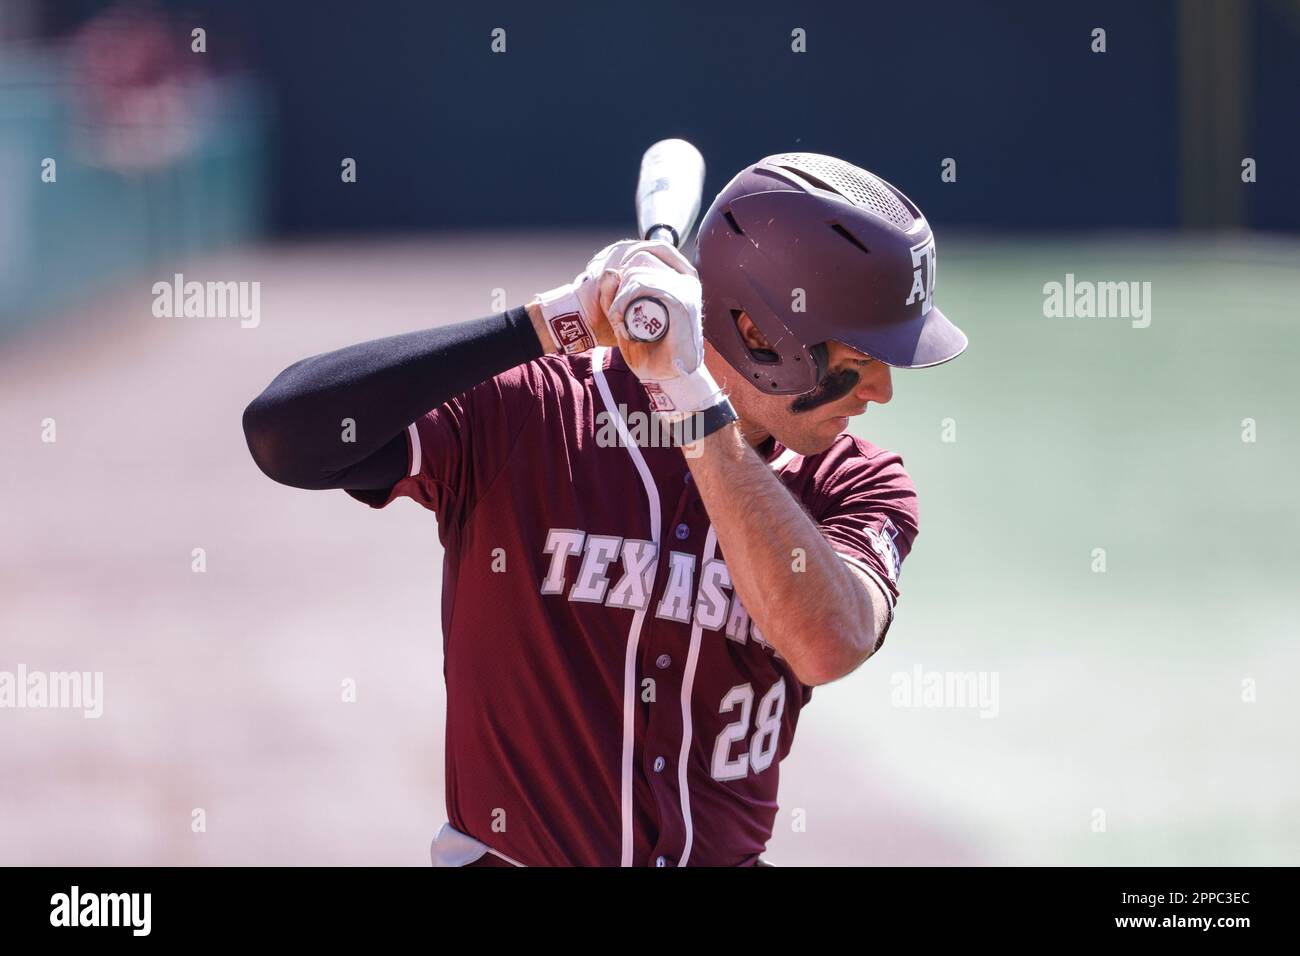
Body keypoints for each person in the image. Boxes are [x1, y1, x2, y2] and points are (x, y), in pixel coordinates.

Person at [242, 153, 967, 867]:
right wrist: (551, 321)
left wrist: (690, 403)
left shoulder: (859, 483)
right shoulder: (535, 409)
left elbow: (827, 642)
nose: (881, 391)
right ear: (759, 333)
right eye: (861, 358)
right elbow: (285, 435)